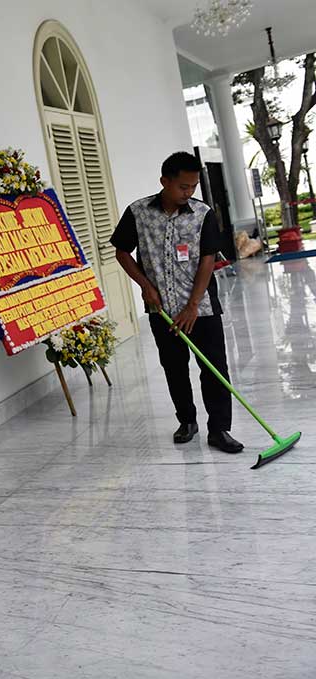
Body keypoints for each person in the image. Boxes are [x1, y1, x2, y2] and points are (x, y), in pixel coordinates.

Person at [109, 152, 244, 453]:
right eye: (183, 187)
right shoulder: (138, 212)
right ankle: (187, 421)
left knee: (215, 369)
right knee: (174, 367)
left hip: (201, 309)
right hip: (162, 311)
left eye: (193, 187)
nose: (188, 193)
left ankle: (220, 429)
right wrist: (145, 287)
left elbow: (208, 259)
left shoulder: (202, 214)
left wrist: (192, 306)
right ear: (164, 182)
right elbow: (121, 251)